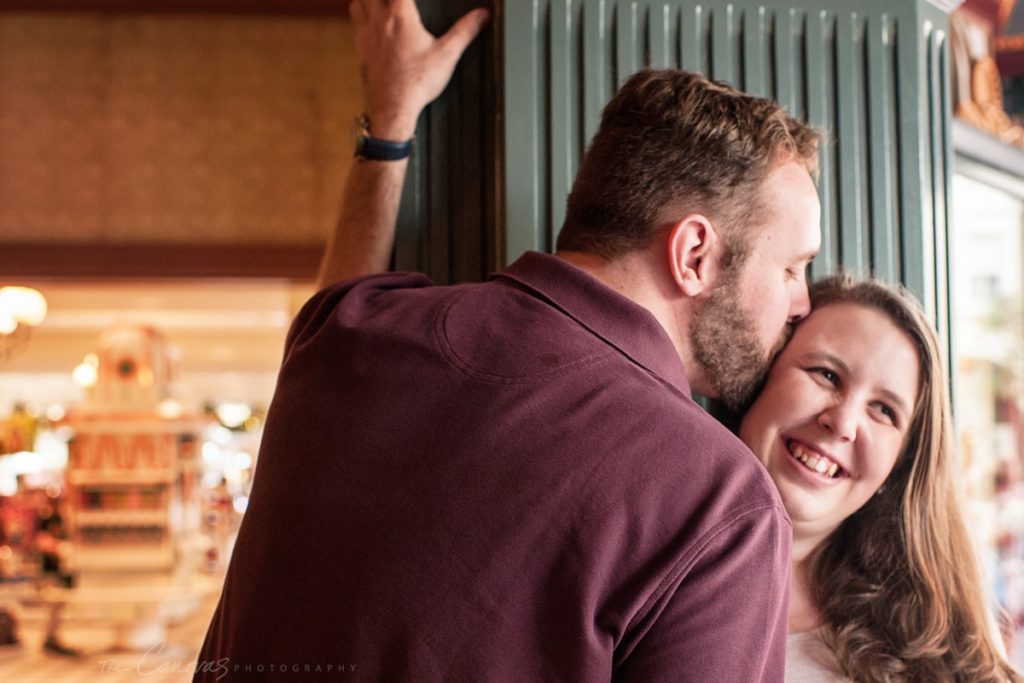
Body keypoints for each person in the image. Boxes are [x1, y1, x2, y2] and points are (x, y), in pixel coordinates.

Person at [196, 0, 822, 680]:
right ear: (695, 252)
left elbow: (336, 299)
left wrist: (391, 118)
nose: (802, 301)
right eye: (791, 267)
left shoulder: (348, 338)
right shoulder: (719, 505)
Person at [738, 276, 1022, 681]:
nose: (842, 423)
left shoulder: (945, 653)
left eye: (883, 411)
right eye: (826, 375)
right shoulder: (651, 567)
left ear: (900, 465)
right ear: (760, 380)